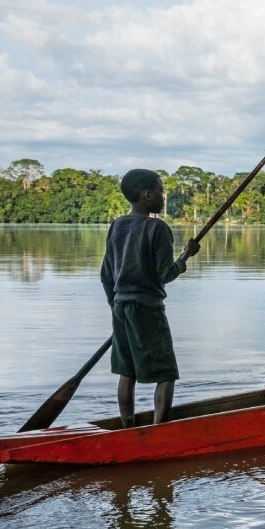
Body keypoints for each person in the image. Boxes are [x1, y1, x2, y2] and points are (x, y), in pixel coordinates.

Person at [101, 168, 200, 427]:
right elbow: (165, 274)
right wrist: (185, 256)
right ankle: (159, 430)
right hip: (147, 308)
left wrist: (116, 305)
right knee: (166, 373)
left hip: (121, 306)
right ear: (146, 194)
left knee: (127, 371)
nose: (163, 195)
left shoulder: (117, 226)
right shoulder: (157, 227)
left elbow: (106, 275)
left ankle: (127, 427)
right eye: (160, 190)